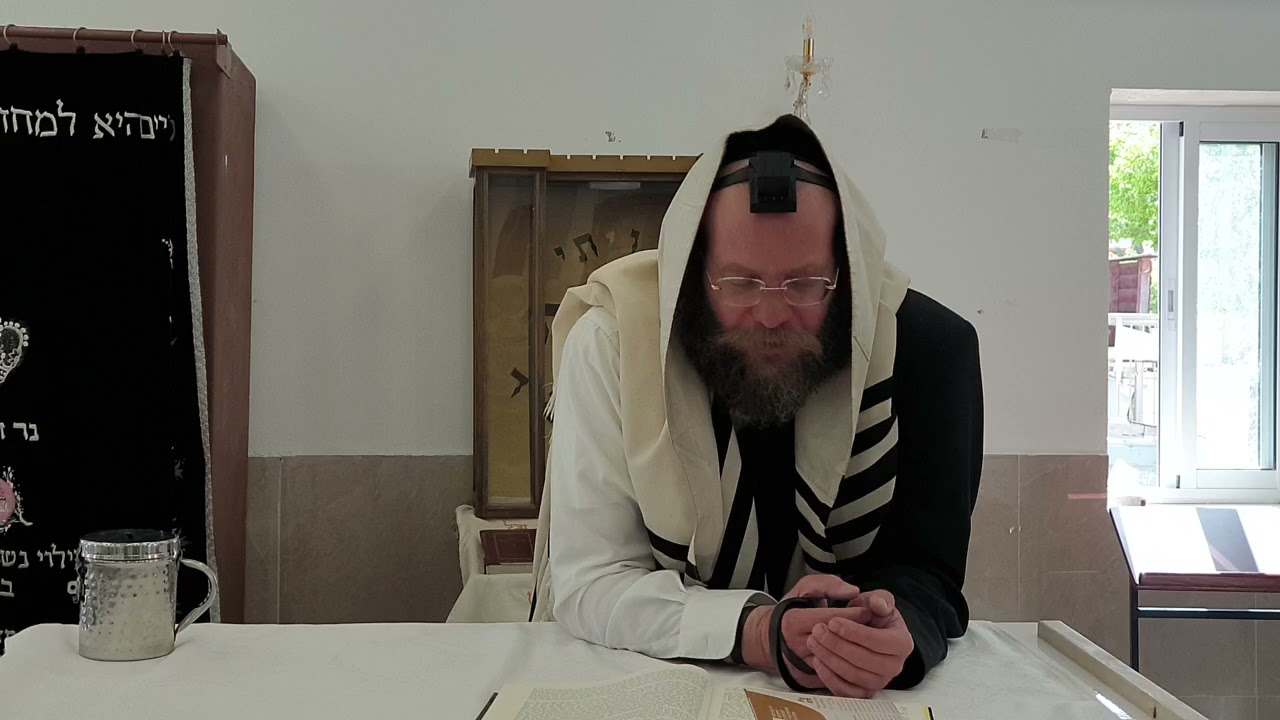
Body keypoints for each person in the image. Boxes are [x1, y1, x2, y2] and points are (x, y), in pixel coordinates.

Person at [529, 115, 983, 698]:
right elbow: (593, 580)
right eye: (739, 282)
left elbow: (929, 574)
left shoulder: (927, 350)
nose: (770, 316)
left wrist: (897, 635)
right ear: (693, 273)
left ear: (849, 275)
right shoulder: (615, 344)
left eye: (806, 283)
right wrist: (758, 631)